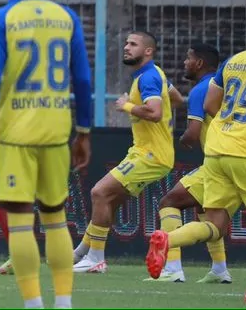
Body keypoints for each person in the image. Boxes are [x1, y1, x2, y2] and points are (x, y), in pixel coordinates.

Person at [0, 0, 93, 310]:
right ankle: (65, 303)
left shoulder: (0, 20)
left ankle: (33, 305)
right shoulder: (66, 17)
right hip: (57, 132)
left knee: (21, 221)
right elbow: (83, 81)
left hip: (14, 135)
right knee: (56, 218)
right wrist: (83, 132)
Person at [72, 31, 173, 273]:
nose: (126, 47)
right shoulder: (154, 74)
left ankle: (95, 257)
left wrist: (125, 105)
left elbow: (155, 112)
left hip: (150, 154)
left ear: (148, 51)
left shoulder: (148, 77)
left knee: (99, 192)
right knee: (110, 199)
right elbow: (174, 97)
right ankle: (80, 253)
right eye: (127, 43)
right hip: (150, 152)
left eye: (133, 44)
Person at [147, 45, 246, 281]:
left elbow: (211, 106)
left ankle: (168, 240)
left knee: (214, 225)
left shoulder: (233, 60)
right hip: (244, 151)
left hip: (217, 148)